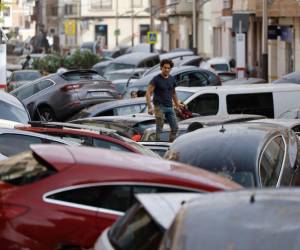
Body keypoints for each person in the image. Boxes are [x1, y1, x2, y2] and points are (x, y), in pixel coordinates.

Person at [146, 58, 184, 142]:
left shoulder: (172, 79)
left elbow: (173, 93)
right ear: (161, 68)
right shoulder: (156, 79)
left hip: (169, 106)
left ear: (170, 69)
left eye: (168, 68)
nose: (166, 69)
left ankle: (170, 145)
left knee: (175, 128)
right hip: (159, 107)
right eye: (165, 67)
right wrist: (149, 107)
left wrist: (177, 105)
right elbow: (148, 93)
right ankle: (157, 145)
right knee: (159, 129)